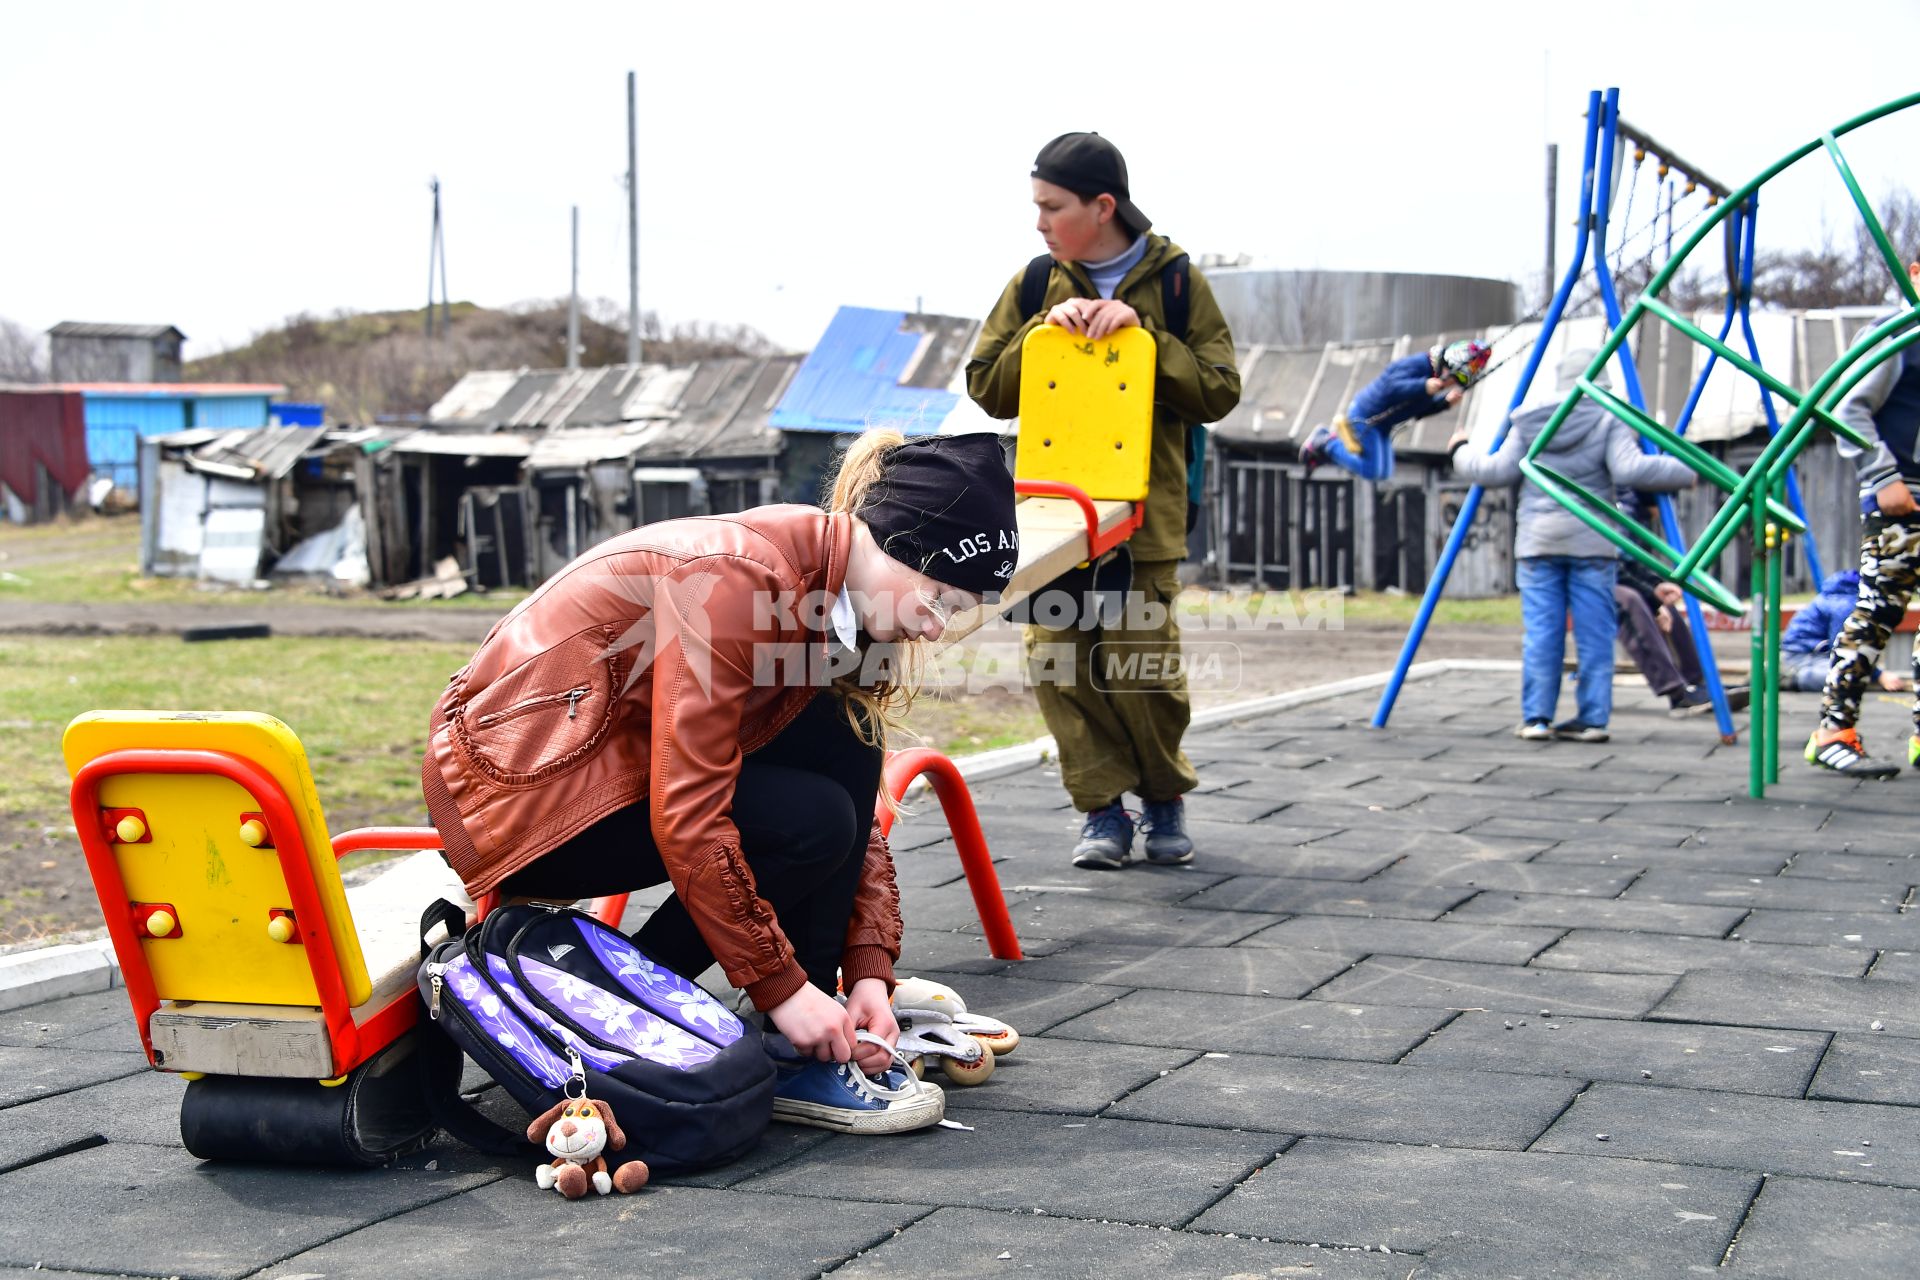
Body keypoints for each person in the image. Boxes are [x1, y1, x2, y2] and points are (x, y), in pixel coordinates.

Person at [421, 429, 1017, 1132]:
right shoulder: (746, 581)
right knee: (812, 818)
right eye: (940, 597)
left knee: (847, 743)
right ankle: (641, 1010)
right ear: (894, 542)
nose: (937, 627)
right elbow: (689, 815)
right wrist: (782, 985)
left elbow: (855, 798)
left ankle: (738, 1022)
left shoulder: (834, 597)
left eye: (957, 612)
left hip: (606, 765)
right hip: (521, 792)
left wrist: (866, 971)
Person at [966, 131, 1241, 870]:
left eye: (1052, 206)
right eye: (1037, 206)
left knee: (1140, 666)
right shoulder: (1034, 283)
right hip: (1051, 512)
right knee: (1060, 665)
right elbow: (986, 384)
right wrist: (1038, 333)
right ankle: (1101, 813)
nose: (1040, 222)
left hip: (1142, 519)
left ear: (1103, 205)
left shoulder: (1177, 281)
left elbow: (1219, 388)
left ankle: (1162, 797)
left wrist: (1146, 337)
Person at [1448, 348, 1695, 742]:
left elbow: (1495, 470)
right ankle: (1593, 720)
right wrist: (1686, 470)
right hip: (1592, 542)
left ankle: (1536, 719)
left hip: (1538, 541)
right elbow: (1630, 469)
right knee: (1595, 633)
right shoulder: (1607, 417)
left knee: (1543, 633)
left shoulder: (1529, 419)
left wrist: (1460, 450)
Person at [1806, 260, 1920, 777]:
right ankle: (1832, 731)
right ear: (1914, 273)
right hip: (1899, 499)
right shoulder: (1897, 336)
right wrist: (1883, 477)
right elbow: (1846, 408)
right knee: (1878, 611)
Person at [1300, 339, 1491, 482]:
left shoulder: (1432, 384)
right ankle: (1326, 444)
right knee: (1372, 470)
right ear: (1448, 366)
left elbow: (1417, 411)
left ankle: (1327, 448)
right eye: (1452, 380)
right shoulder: (1421, 364)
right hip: (1366, 415)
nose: (1449, 385)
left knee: (1385, 473)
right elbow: (1391, 386)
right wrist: (1422, 386)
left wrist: (1445, 403)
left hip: (1383, 427)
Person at [1782, 569, 1909, 693]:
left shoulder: (1834, 597)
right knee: (1849, 676)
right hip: (1800, 659)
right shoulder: (1845, 605)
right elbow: (1845, 648)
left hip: (1808, 655)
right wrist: (1879, 675)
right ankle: (1790, 679)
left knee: (1855, 672)